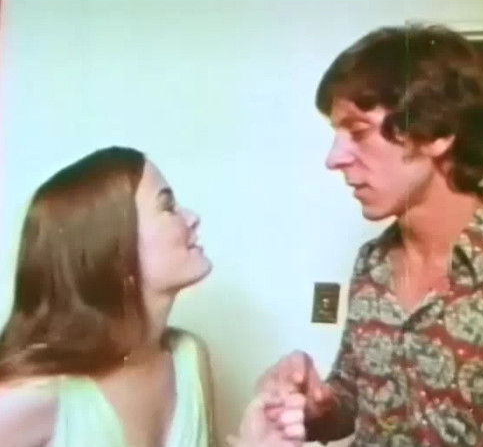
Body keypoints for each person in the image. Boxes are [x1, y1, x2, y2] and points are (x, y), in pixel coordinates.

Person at [258, 25, 483, 446]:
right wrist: (314, 407)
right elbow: (354, 401)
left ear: (437, 133)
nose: (334, 159)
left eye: (358, 131)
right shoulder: (372, 263)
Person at [0, 147, 306, 447]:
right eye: (167, 206)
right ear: (114, 248)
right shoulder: (28, 399)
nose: (192, 218)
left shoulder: (189, 358)